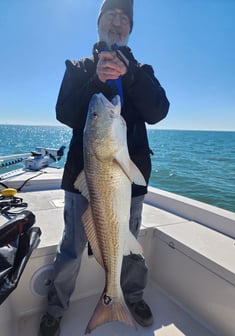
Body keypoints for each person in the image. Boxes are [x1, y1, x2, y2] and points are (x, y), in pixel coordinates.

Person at [38, 0, 169, 335]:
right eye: (111, 15)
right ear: (99, 22)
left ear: (130, 29)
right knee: (71, 247)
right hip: (85, 181)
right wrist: (95, 81)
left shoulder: (144, 71)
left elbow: (158, 112)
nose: (117, 22)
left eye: (124, 18)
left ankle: (130, 296)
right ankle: (56, 308)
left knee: (130, 242)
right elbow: (65, 113)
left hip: (128, 182)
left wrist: (133, 75)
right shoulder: (79, 68)